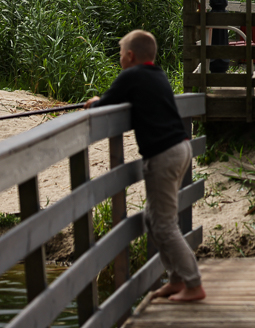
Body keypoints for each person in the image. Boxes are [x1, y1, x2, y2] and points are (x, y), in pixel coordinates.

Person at [84, 30, 205, 302]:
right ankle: (176, 279)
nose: (119, 59)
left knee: (163, 225)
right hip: (180, 148)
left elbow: (107, 101)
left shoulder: (131, 76)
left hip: (163, 154)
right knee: (154, 219)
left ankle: (194, 284)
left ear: (129, 56)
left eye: (119, 54)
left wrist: (94, 104)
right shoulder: (156, 75)